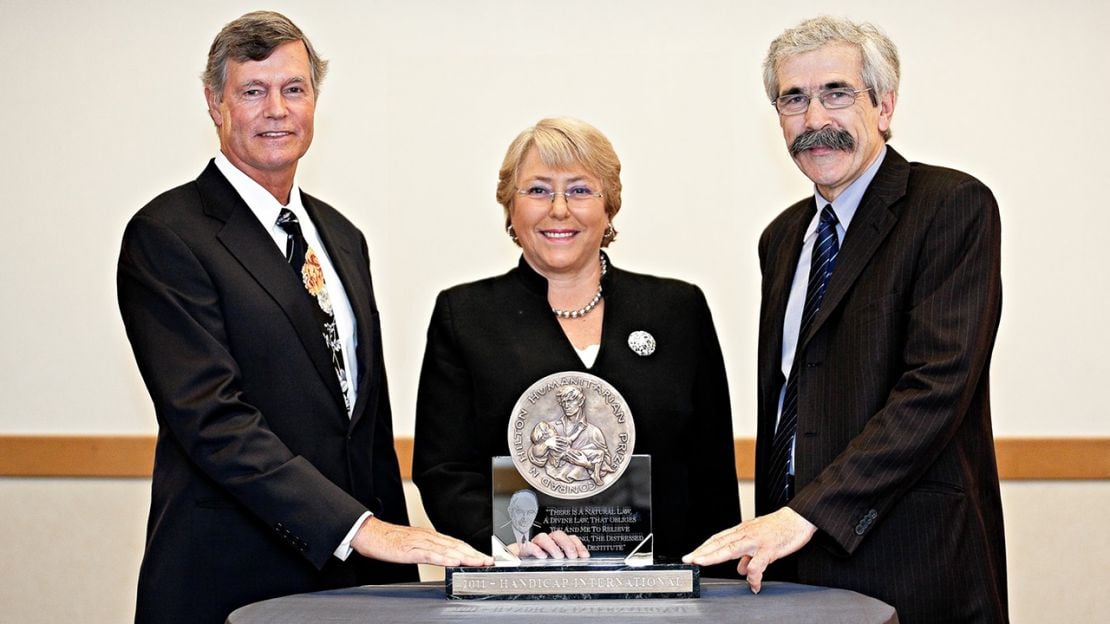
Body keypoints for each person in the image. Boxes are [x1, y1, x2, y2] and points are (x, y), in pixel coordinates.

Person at [117, 11, 489, 624]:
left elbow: (363, 427)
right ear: (215, 103)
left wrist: (393, 557)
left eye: (294, 89)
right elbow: (213, 419)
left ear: (315, 99)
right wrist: (360, 529)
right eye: (253, 91)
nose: (277, 109)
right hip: (230, 575)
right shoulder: (168, 235)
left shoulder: (342, 237)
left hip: (355, 582)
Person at [683, 16, 1007, 623]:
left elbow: (935, 391)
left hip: (911, 559)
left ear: (884, 106)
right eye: (793, 99)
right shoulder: (781, 239)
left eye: (836, 93)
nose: (813, 120)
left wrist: (805, 515)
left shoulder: (951, 208)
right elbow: (793, 398)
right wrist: (780, 524)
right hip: (788, 566)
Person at [413, 117, 741, 568]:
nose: (560, 209)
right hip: (521, 589)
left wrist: (716, 586)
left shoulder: (677, 310)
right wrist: (510, 543)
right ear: (510, 206)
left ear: (610, 207)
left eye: (581, 190)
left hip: (666, 594)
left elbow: (713, 471)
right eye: (539, 190)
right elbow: (443, 471)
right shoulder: (464, 315)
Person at [527, 384, 612, 486]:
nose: (566, 406)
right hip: (552, 477)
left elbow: (606, 464)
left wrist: (586, 464)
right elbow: (534, 455)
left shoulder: (593, 432)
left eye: (570, 401)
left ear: (580, 401)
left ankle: (594, 476)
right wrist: (547, 444)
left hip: (581, 479)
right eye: (564, 402)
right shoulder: (551, 428)